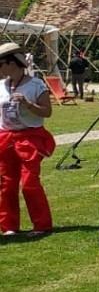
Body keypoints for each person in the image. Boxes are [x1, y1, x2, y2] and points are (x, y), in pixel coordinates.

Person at [0, 43, 55, 236]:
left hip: (30, 138)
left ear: (12, 63)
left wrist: (27, 104)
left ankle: (41, 225)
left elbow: (47, 112)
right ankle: (9, 226)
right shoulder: (1, 86)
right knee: (6, 184)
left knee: (30, 182)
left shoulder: (36, 85)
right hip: (6, 138)